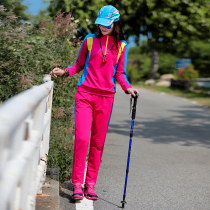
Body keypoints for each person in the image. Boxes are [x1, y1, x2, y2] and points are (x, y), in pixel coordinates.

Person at [49, 5, 139, 200]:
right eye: (100, 24)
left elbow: (120, 74)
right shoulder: (90, 41)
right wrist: (65, 71)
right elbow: (79, 65)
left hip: (106, 98)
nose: (103, 27)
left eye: (107, 24)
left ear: (115, 23)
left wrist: (128, 88)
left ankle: (90, 184)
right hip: (85, 95)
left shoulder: (122, 46)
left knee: (97, 143)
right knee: (82, 139)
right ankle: (77, 184)